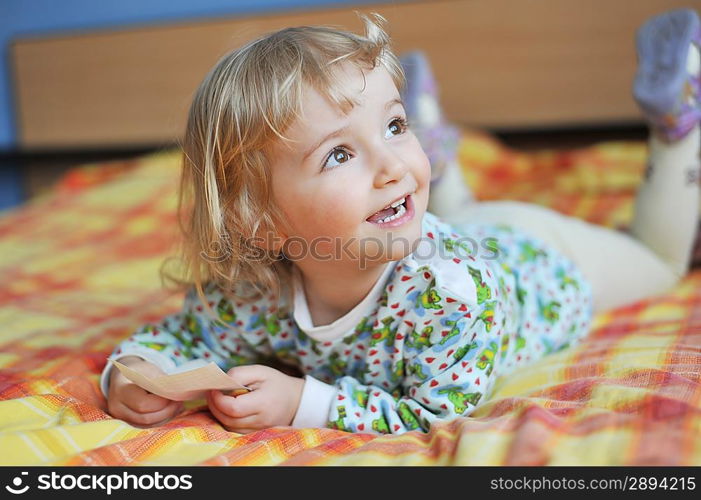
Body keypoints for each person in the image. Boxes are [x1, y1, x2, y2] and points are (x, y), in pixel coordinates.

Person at [101, 9, 701, 434]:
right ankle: (437, 148)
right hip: (448, 226)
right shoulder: (249, 296)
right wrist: (134, 375)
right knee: (441, 208)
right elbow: (178, 340)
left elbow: (438, 413)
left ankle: (680, 123)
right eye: (339, 153)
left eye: (395, 126)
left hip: (538, 255)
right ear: (259, 225)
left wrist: (302, 402)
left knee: (658, 260)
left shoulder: (452, 298)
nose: (391, 165)